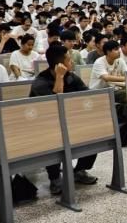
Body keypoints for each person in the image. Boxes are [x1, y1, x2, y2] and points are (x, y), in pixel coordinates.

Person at [30, 44, 98, 195]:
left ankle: (79, 170)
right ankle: (54, 178)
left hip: (72, 121)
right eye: (69, 59)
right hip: (47, 126)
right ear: (59, 64)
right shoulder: (40, 83)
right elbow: (53, 106)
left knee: (93, 132)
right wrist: (59, 77)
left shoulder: (72, 77)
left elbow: (87, 96)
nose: (72, 62)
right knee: (52, 138)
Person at [89, 40, 127, 143]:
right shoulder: (99, 62)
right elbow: (106, 78)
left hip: (113, 90)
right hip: (99, 93)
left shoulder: (120, 61)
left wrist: (125, 78)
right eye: (116, 49)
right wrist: (124, 78)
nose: (119, 51)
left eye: (118, 49)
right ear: (108, 52)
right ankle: (126, 131)